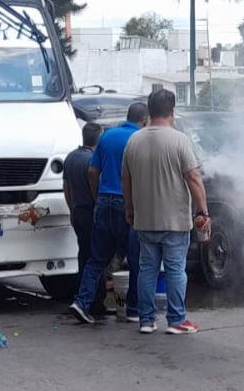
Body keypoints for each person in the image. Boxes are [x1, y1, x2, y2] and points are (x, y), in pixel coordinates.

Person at [123, 89, 209, 335]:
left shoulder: (134, 141)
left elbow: (125, 179)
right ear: (172, 112)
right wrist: (203, 210)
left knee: (147, 271)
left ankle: (146, 320)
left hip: (144, 220)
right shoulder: (179, 140)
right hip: (174, 221)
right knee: (174, 271)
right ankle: (176, 320)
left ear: (149, 112)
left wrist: (130, 209)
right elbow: (193, 177)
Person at [69, 103, 149, 324]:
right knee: (135, 261)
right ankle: (133, 310)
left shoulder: (107, 136)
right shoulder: (140, 140)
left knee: (96, 259)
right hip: (128, 205)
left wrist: (98, 199)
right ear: (144, 121)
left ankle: (82, 303)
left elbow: (93, 172)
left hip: (104, 202)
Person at [62, 122, 107, 317]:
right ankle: (94, 302)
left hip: (77, 211)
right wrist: (98, 203)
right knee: (96, 257)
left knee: (84, 254)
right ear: (99, 138)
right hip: (91, 212)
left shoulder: (71, 157)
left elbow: (67, 187)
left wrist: (71, 209)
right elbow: (93, 182)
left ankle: (81, 295)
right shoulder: (92, 160)